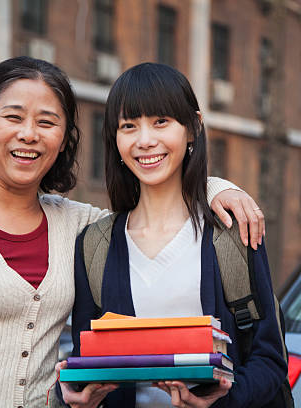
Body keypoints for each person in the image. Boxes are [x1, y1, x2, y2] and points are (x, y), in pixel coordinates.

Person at [0, 56, 266, 407]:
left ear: (65, 137)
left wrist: (215, 187)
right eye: (13, 118)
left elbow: (155, 206)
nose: (29, 134)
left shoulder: (77, 225)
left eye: (47, 122)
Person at [58, 63, 288, 408]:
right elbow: (89, 359)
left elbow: (270, 359)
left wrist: (221, 402)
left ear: (193, 128)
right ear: (115, 140)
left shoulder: (232, 231)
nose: (145, 140)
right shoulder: (94, 246)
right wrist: (80, 398)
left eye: (161, 122)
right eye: (129, 126)